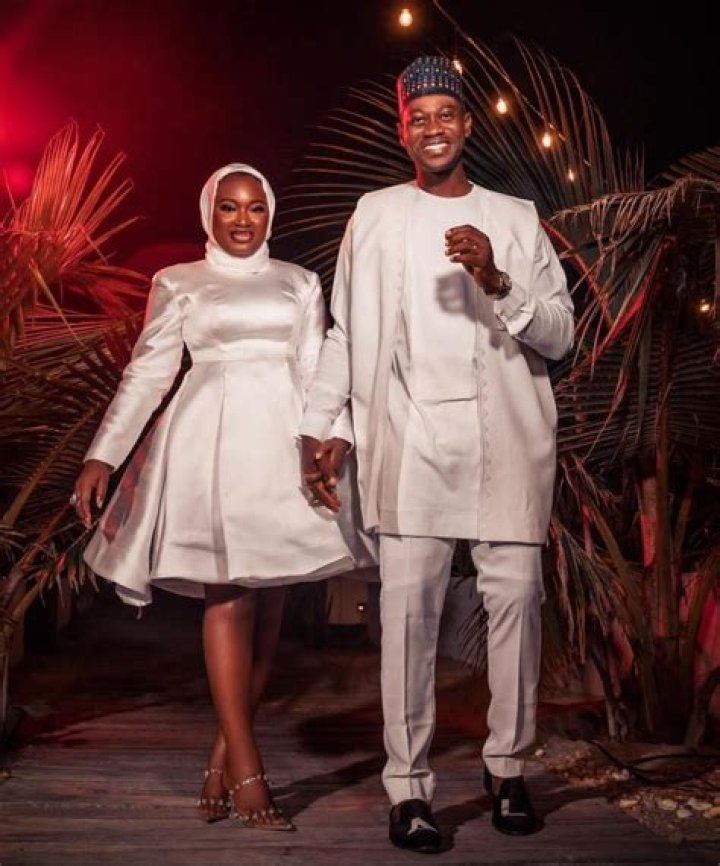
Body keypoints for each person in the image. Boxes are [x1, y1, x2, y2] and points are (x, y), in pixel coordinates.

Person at [299, 55, 574, 850]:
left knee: (517, 602)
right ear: (403, 131)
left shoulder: (514, 217)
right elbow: (347, 333)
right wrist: (323, 424)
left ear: (467, 124)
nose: (432, 128)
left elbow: (561, 334)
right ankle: (410, 788)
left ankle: (508, 769)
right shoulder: (376, 213)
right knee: (409, 613)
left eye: (444, 114)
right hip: (412, 438)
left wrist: (497, 276)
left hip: (506, 442)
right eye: (417, 117)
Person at [72, 163, 356, 832]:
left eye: (255, 207)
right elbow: (148, 372)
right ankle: (249, 770)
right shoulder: (178, 281)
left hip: (284, 442)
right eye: (229, 206)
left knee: (271, 601)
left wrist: (333, 437)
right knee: (228, 595)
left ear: (270, 213)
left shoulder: (298, 280)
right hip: (213, 442)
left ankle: (221, 756)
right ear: (209, 213)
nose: (243, 219)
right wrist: (102, 453)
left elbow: (315, 368)